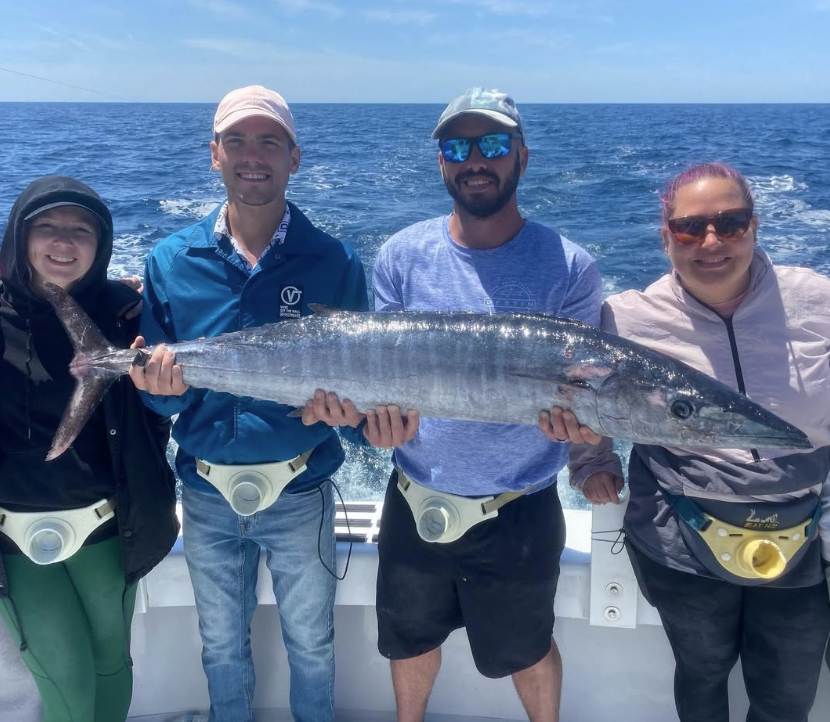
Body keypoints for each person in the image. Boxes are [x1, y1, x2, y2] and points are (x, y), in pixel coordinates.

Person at [303, 87, 603, 722]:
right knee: (409, 641)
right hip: (416, 495)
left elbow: (587, 395)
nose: (475, 160)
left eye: (492, 145)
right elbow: (383, 381)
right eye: (457, 146)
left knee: (526, 650)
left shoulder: (570, 266)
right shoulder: (401, 256)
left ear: (521, 155)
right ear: (441, 161)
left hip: (520, 507)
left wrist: (587, 446)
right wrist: (368, 424)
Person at [128, 85, 369, 722]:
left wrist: (357, 419)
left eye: (269, 141)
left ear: (295, 156)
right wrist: (157, 394)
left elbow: (364, 395)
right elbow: (161, 409)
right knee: (219, 649)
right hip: (205, 496)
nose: (251, 154)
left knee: (313, 646)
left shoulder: (335, 260)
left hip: (301, 492)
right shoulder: (171, 260)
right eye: (236, 140)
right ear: (214, 155)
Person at [568, 162, 830, 722]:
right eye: (690, 227)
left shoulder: (819, 302)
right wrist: (592, 459)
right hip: (680, 537)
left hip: (806, 532)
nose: (711, 241)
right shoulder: (626, 316)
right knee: (702, 676)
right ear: (666, 238)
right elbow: (579, 391)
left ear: (755, 227)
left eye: (730, 223)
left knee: (787, 697)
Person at [0, 175, 179, 722]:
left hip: (107, 523)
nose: (64, 241)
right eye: (47, 227)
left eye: (82, 230)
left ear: (101, 246)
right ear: (19, 236)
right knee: (66, 680)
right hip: (15, 536)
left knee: (110, 666)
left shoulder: (127, 313)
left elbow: (168, 404)